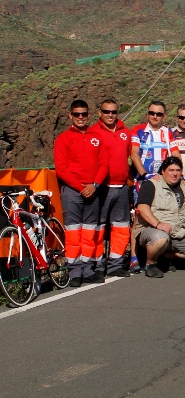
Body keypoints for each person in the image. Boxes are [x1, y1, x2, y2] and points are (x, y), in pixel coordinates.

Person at [54, 99, 110, 286]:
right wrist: (80, 187)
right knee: (73, 233)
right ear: (70, 115)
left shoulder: (98, 137)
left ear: (89, 115)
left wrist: (94, 185)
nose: (80, 117)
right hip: (73, 191)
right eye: (76, 114)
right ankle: (74, 272)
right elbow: (61, 169)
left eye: (83, 114)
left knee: (89, 232)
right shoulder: (63, 139)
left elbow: (104, 164)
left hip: (93, 189)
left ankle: (88, 270)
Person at [134, 157, 185, 278]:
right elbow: (142, 208)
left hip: (176, 231)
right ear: (163, 171)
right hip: (151, 229)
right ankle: (151, 264)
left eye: (178, 170)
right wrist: (158, 225)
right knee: (160, 238)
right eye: (171, 170)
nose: (175, 173)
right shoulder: (151, 184)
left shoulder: (184, 186)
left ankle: (164, 255)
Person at [91, 98, 132, 278]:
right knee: (98, 228)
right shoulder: (93, 132)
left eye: (113, 112)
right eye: (106, 112)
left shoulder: (125, 132)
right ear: (99, 113)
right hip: (102, 187)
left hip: (122, 186)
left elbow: (133, 156)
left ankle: (115, 263)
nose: (110, 115)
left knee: (121, 227)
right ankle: (98, 264)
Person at [131, 100, 180, 198]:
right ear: (147, 115)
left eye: (159, 114)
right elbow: (134, 153)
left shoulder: (168, 131)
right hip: (143, 179)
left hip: (164, 180)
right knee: (141, 210)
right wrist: (145, 175)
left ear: (164, 116)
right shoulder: (138, 130)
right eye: (151, 113)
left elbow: (176, 155)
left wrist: (179, 174)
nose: (155, 116)